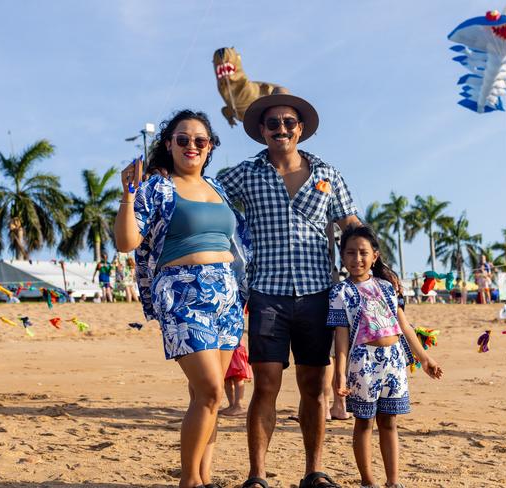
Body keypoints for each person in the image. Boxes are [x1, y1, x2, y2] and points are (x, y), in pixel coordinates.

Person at [217, 88, 361, 488]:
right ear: (262, 130)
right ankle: (257, 476)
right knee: (265, 383)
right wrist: (165, 173)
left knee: (314, 387)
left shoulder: (327, 175)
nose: (281, 129)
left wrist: (378, 267)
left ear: (300, 130)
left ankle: (313, 472)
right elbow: (204, 192)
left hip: (318, 295)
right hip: (267, 295)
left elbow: (351, 225)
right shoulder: (244, 174)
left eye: (288, 123)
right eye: (273, 123)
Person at [114, 109, 249, 488]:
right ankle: (189, 480)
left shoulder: (218, 189)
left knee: (207, 395)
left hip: (226, 294)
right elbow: (127, 242)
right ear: (169, 144)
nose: (192, 145)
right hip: (182, 291)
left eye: (200, 140)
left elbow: (235, 243)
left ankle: (205, 477)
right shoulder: (157, 187)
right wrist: (127, 195)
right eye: (183, 139)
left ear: (210, 148)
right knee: (211, 389)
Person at [328, 225, 443, 488]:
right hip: (362, 364)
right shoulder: (340, 293)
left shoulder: (387, 288)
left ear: (375, 256)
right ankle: (368, 482)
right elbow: (341, 337)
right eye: (350, 253)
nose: (357, 259)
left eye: (363, 253)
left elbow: (404, 326)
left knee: (389, 422)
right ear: (342, 257)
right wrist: (339, 374)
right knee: (364, 422)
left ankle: (393, 482)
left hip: (393, 361)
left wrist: (424, 358)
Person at [220, 336, 252, 417]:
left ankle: (238, 405)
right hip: (222, 343)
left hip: (234, 343)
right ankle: (232, 405)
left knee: (237, 376)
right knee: (226, 377)